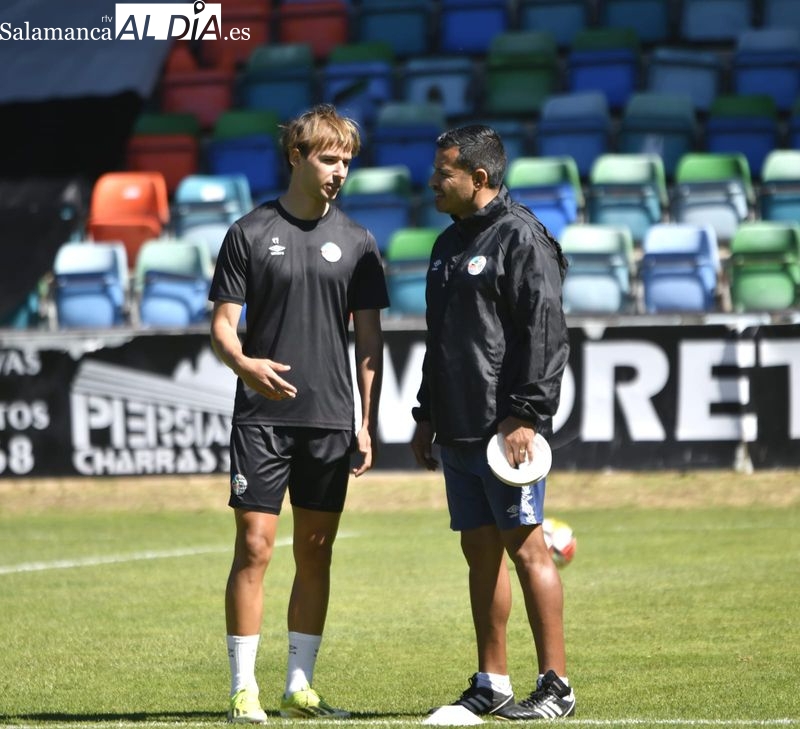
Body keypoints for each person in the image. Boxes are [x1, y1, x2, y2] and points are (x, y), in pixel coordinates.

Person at [209, 104, 389, 724]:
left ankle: (298, 685)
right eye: (329, 158)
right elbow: (222, 329)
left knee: (316, 551)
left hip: (331, 420)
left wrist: (367, 420)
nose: (340, 171)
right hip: (261, 419)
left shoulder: (360, 242)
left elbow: (369, 343)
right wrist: (244, 365)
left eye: (346, 161)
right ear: (297, 156)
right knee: (254, 547)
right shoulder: (249, 233)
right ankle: (243, 689)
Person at [410, 125, 575, 720]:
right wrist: (426, 412)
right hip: (456, 428)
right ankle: (492, 681)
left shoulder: (521, 237)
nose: (433, 181)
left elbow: (545, 331)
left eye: (443, 172)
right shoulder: (446, 244)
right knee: (480, 554)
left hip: (506, 433)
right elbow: (442, 341)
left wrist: (526, 414)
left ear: (478, 178)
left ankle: (557, 686)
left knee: (528, 549)